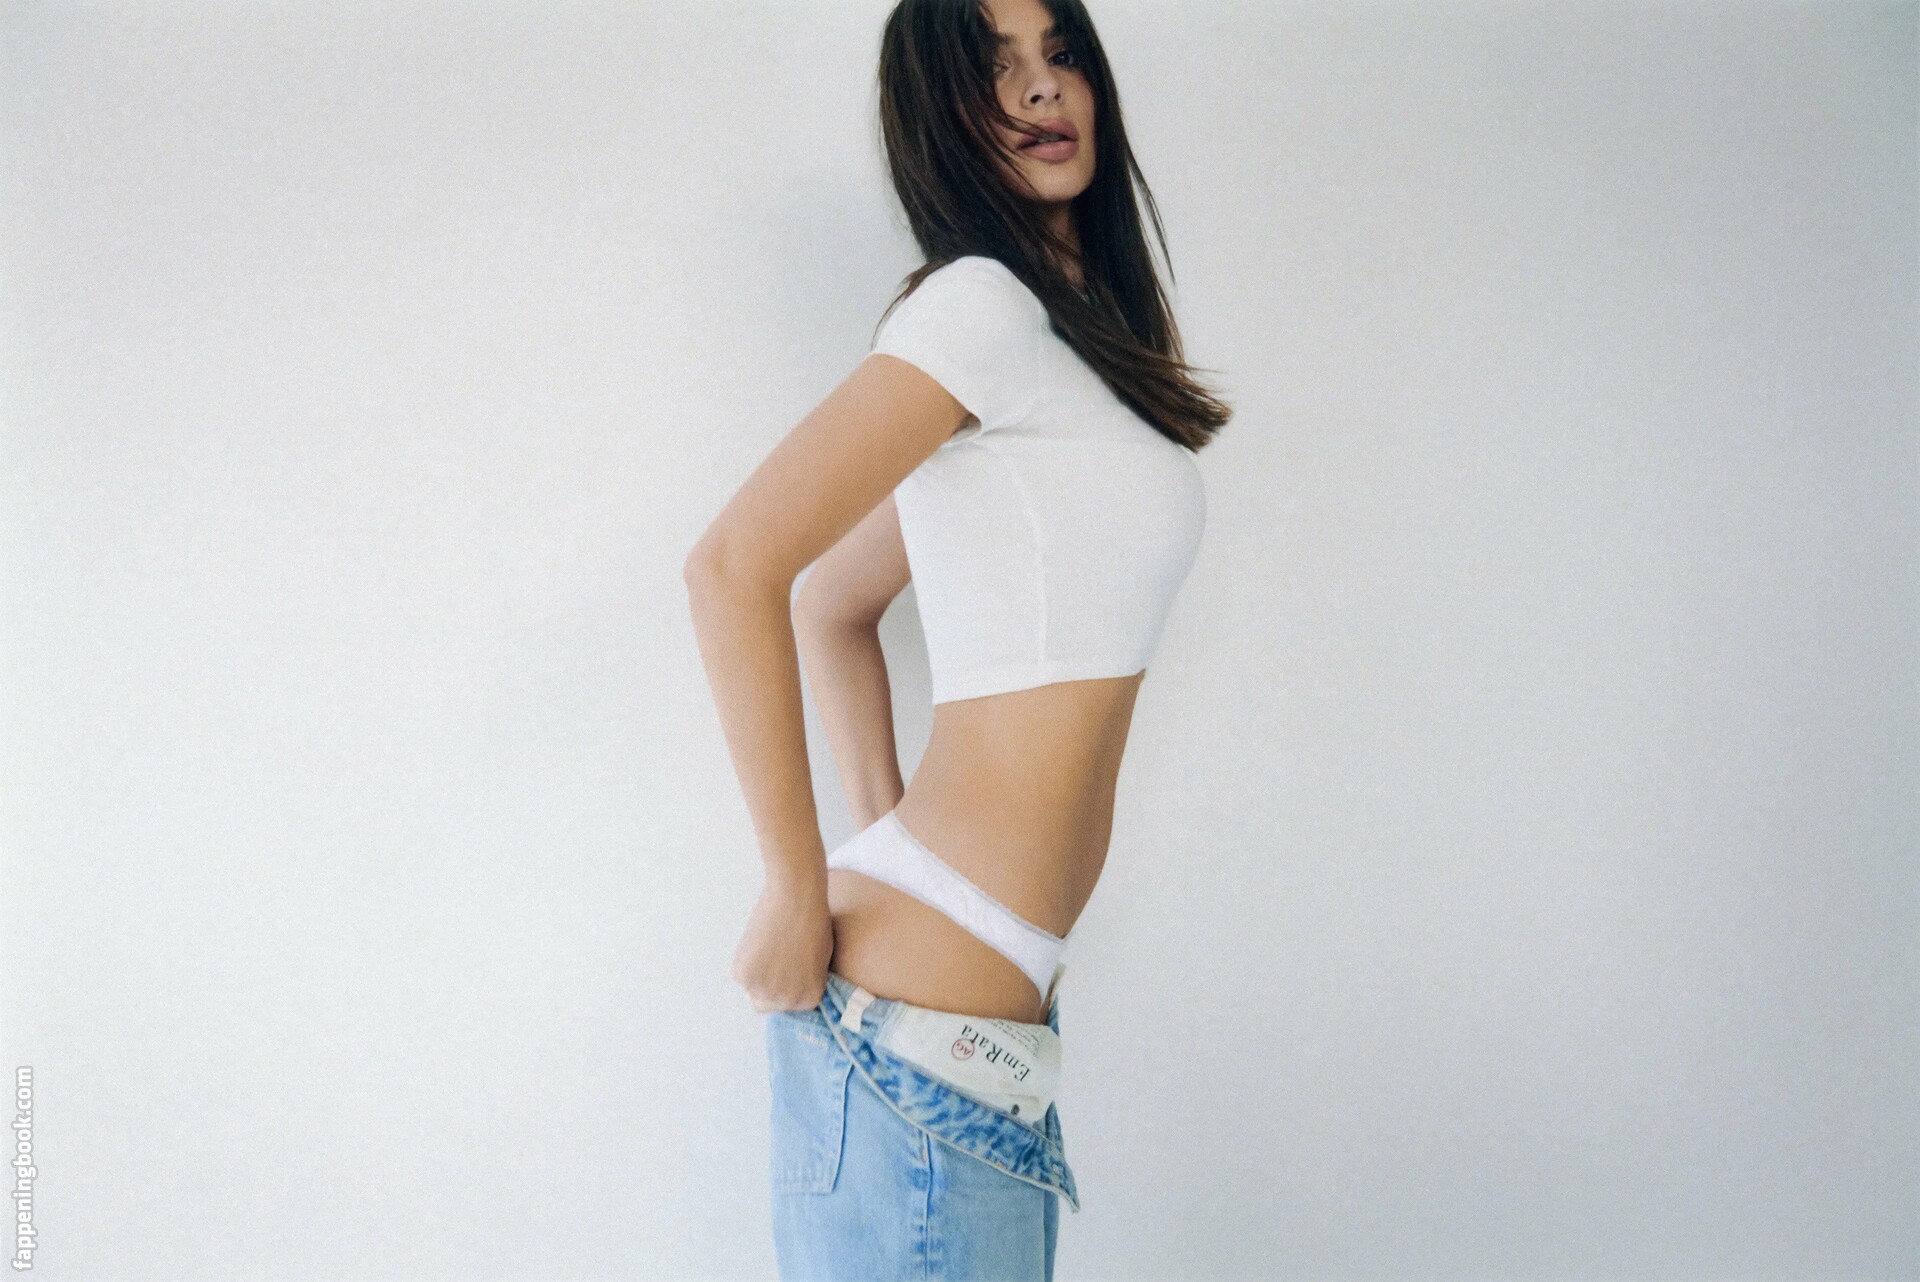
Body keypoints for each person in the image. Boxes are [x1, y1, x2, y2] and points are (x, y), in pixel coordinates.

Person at [685, 0, 1231, 1275]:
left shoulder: (1062, 340)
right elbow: (734, 568)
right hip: (914, 1048)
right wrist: (795, 886)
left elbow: (835, 605)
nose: (1044, 89)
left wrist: (887, 831)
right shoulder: (976, 308)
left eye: (1062, 55)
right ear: (938, 116)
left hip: (971, 1036)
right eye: (998, 71)